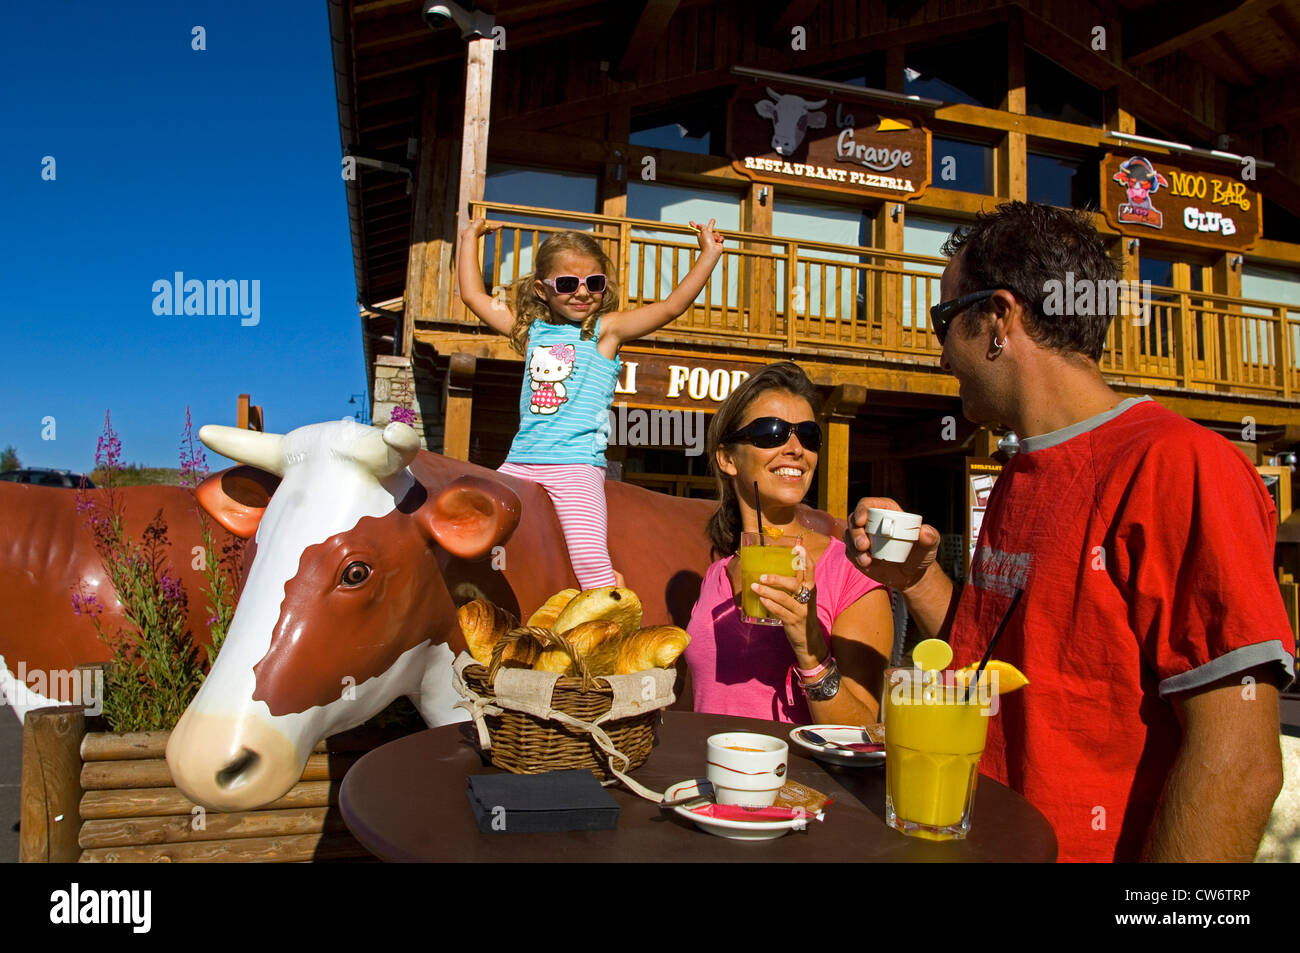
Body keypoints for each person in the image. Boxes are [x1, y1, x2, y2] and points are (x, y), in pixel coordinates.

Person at [844, 201, 1295, 862]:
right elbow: (1006, 671)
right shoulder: (1022, 467)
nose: (940, 354)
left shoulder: (1178, 464)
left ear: (998, 319)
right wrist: (916, 578)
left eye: (944, 321)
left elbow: (1240, 763)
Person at [458, 217, 724, 589]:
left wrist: (709, 254)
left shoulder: (605, 331)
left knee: (590, 562)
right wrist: (469, 237)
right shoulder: (532, 331)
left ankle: (608, 626)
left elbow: (669, 308)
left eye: (594, 283)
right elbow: (473, 296)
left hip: (575, 467)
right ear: (541, 289)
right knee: (478, 531)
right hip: (520, 461)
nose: (582, 293)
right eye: (567, 284)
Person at [685, 361, 894, 724]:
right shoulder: (717, 574)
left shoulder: (852, 570)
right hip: (707, 775)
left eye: (808, 435)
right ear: (727, 459)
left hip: (794, 779)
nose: (796, 448)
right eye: (771, 433)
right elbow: (695, 701)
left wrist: (810, 651)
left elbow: (861, 730)